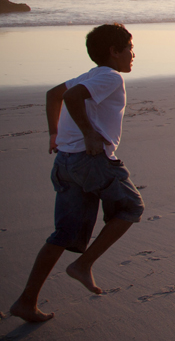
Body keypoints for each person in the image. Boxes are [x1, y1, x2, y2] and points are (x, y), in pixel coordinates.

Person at [10, 23, 145, 322]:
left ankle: (25, 302)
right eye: (130, 49)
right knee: (131, 206)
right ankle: (83, 265)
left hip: (66, 163)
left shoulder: (89, 74)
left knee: (64, 233)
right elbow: (70, 99)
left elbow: (53, 95)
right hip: (90, 161)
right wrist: (88, 133)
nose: (133, 55)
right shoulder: (109, 76)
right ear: (114, 51)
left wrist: (53, 135)